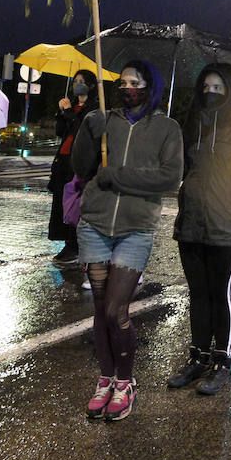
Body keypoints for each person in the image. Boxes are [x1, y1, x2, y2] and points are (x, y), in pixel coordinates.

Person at [71, 61, 182, 422]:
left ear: (151, 86)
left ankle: (124, 381)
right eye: (122, 81)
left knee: (115, 310)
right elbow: (82, 167)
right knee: (99, 308)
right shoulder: (106, 120)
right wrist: (89, 129)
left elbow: (168, 178)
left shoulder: (167, 128)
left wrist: (118, 177)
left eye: (135, 81)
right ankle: (104, 380)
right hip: (95, 225)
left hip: (135, 230)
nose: (126, 86)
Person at [167, 63, 231, 395]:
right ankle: (198, 357)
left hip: (228, 224)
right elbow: (180, 168)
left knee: (221, 294)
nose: (210, 93)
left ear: (229, 90)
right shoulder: (193, 124)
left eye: (218, 87)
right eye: (205, 87)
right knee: (198, 294)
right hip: (192, 221)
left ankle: (222, 362)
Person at [48, 69, 101, 264]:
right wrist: (61, 113)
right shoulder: (72, 107)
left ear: (91, 86)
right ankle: (66, 242)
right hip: (63, 160)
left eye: (81, 81)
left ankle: (75, 245)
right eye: (75, 81)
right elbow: (61, 132)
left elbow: (82, 130)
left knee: (74, 204)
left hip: (79, 162)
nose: (76, 84)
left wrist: (69, 112)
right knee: (61, 203)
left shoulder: (94, 108)